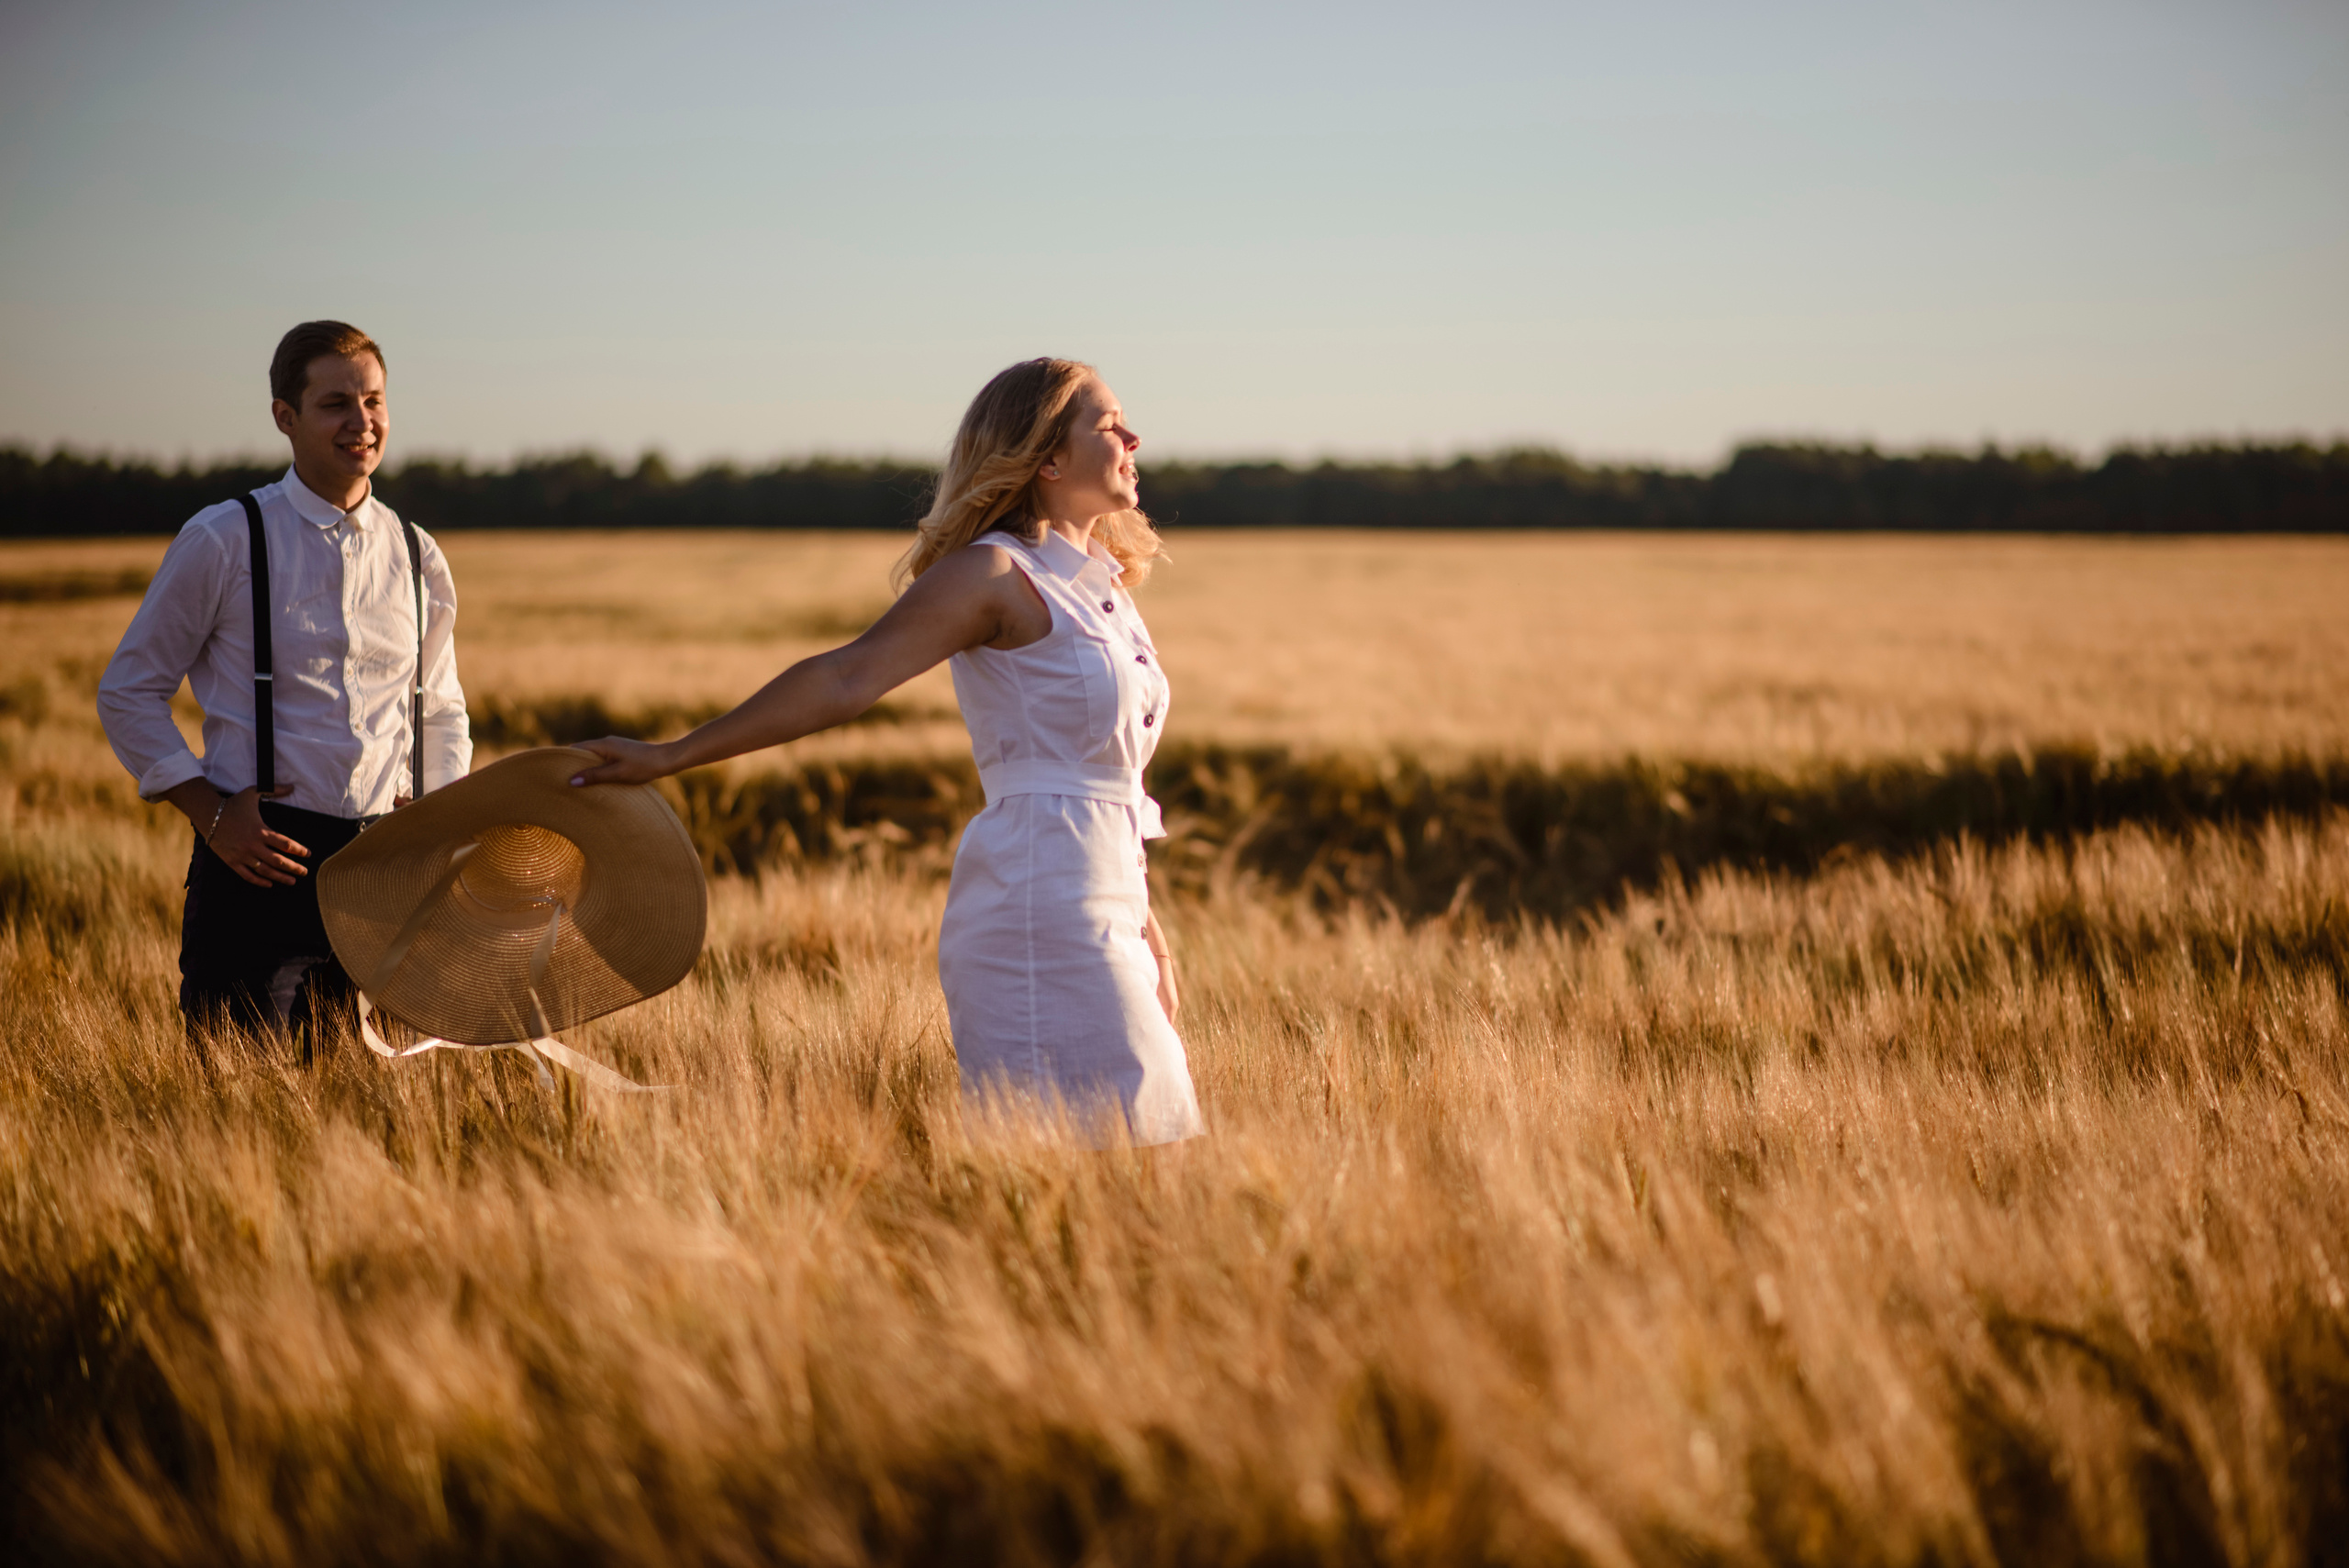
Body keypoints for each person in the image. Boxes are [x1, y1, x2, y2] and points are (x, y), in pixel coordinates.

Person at [570, 358, 1203, 1145]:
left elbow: (1115, 792)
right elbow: (845, 676)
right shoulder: (996, 573)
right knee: (1100, 1153)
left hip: (1112, 901)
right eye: (1109, 424)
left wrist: (1153, 933)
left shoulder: (1108, 591)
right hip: (1040, 906)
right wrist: (672, 754)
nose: (1134, 437)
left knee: (1152, 1149)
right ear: (1047, 457)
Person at [98, 320, 473, 1051]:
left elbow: (442, 711)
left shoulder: (416, 553)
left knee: (364, 1125)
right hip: (260, 863)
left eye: (373, 400)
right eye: (336, 403)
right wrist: (210, 813)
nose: (361, 422)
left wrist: (431, 824)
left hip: (382, 877)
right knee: (239, 1113)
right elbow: (128, 690)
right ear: (285, 417)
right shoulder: (226, 537)